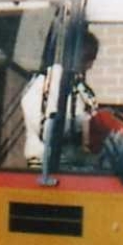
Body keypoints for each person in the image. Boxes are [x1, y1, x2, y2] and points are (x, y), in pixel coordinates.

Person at [22, 30, 99, 167]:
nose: (90, 66)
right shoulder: (48, 83)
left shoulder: (78, 86)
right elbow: (46, 130)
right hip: (47, 166)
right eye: (88, 58)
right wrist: (85, 125)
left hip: (73, 164)